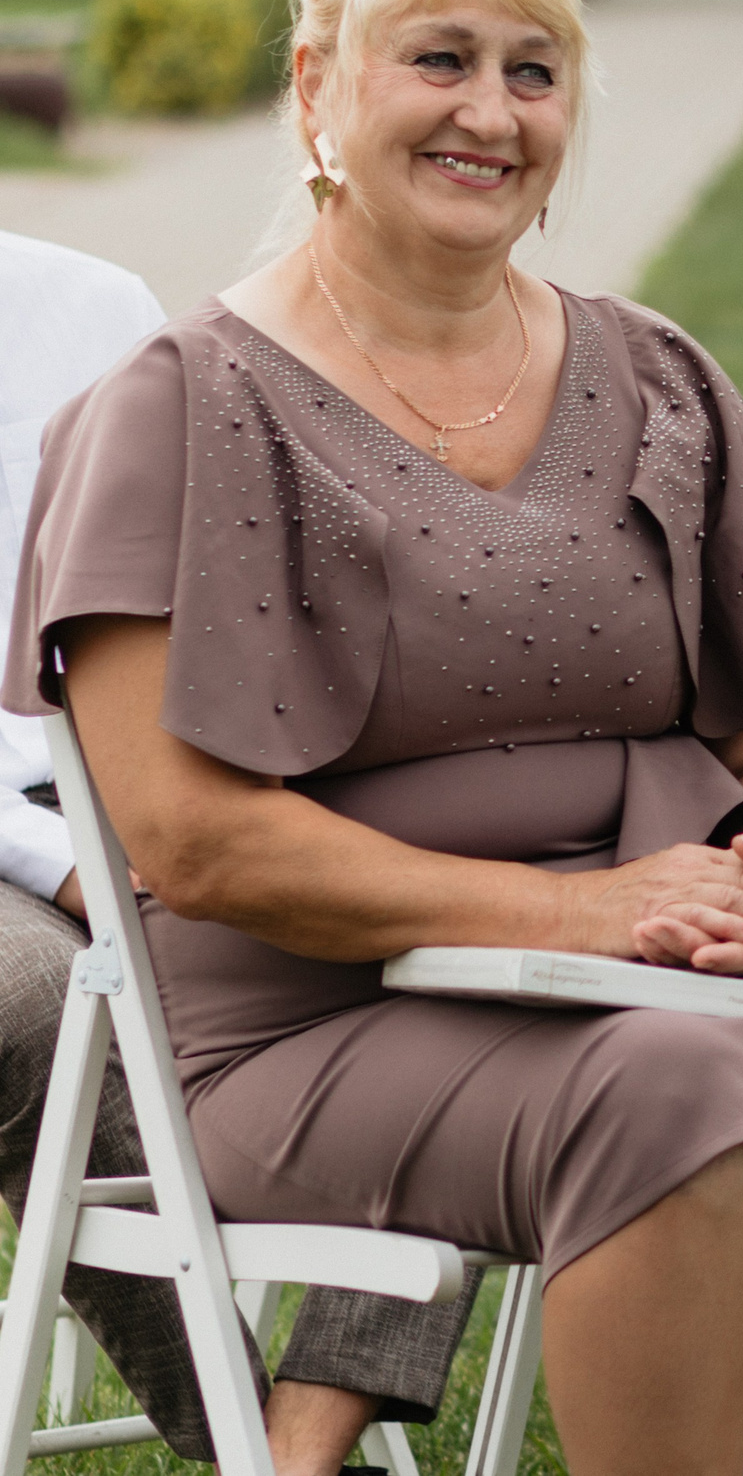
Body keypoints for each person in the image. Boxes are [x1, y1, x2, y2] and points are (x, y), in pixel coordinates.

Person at [2, 0, 743, 1476]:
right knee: (675, 1093)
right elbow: (194, 841)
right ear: (317, 88)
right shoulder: (180, 403)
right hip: (307, 1026)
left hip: (677, 981)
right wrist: (587, 912)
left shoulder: (658, 376)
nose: (490, 113)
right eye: (439, 60)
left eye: (533, 70)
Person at [0, 228, 487, 1474]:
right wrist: (59, 863)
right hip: (26, 845)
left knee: (458, 925)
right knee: (39, 1000)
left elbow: (214, 597)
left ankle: (302, 1444)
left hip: (144, 782)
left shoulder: (89, 302)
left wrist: (213, 807)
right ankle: (237, 1446)